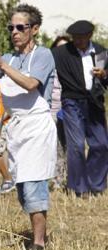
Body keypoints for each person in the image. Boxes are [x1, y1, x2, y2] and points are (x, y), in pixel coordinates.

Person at [0, 4, 56, 250]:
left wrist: (2, 64)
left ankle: (39, 243)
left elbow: (31, 84)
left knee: (34, 183)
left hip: (37, 126)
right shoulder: (8, 57)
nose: (15, 32)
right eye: (12, 27)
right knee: (21, 186)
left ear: (34, 29)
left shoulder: (43, 55)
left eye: (21, 27)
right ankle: (36, 230)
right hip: (17, 128)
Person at [52, 20, 108, 196]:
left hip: (95, 103)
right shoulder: (61, 53)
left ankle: (96, 185)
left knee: (101, 145)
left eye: (81, 38)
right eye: (74, 37)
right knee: (76, 146)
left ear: (89, 36)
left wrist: (104, 74)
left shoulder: (101, 52)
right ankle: (78, 188)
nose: (77, 41)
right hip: (72, 102)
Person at [49, 36, 71, 190]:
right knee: (56, 147)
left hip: (70, 107)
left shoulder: (73, 65)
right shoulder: (49, 66)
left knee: (72, 146)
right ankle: (57, 181)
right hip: (52, 108)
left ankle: (72, 180)